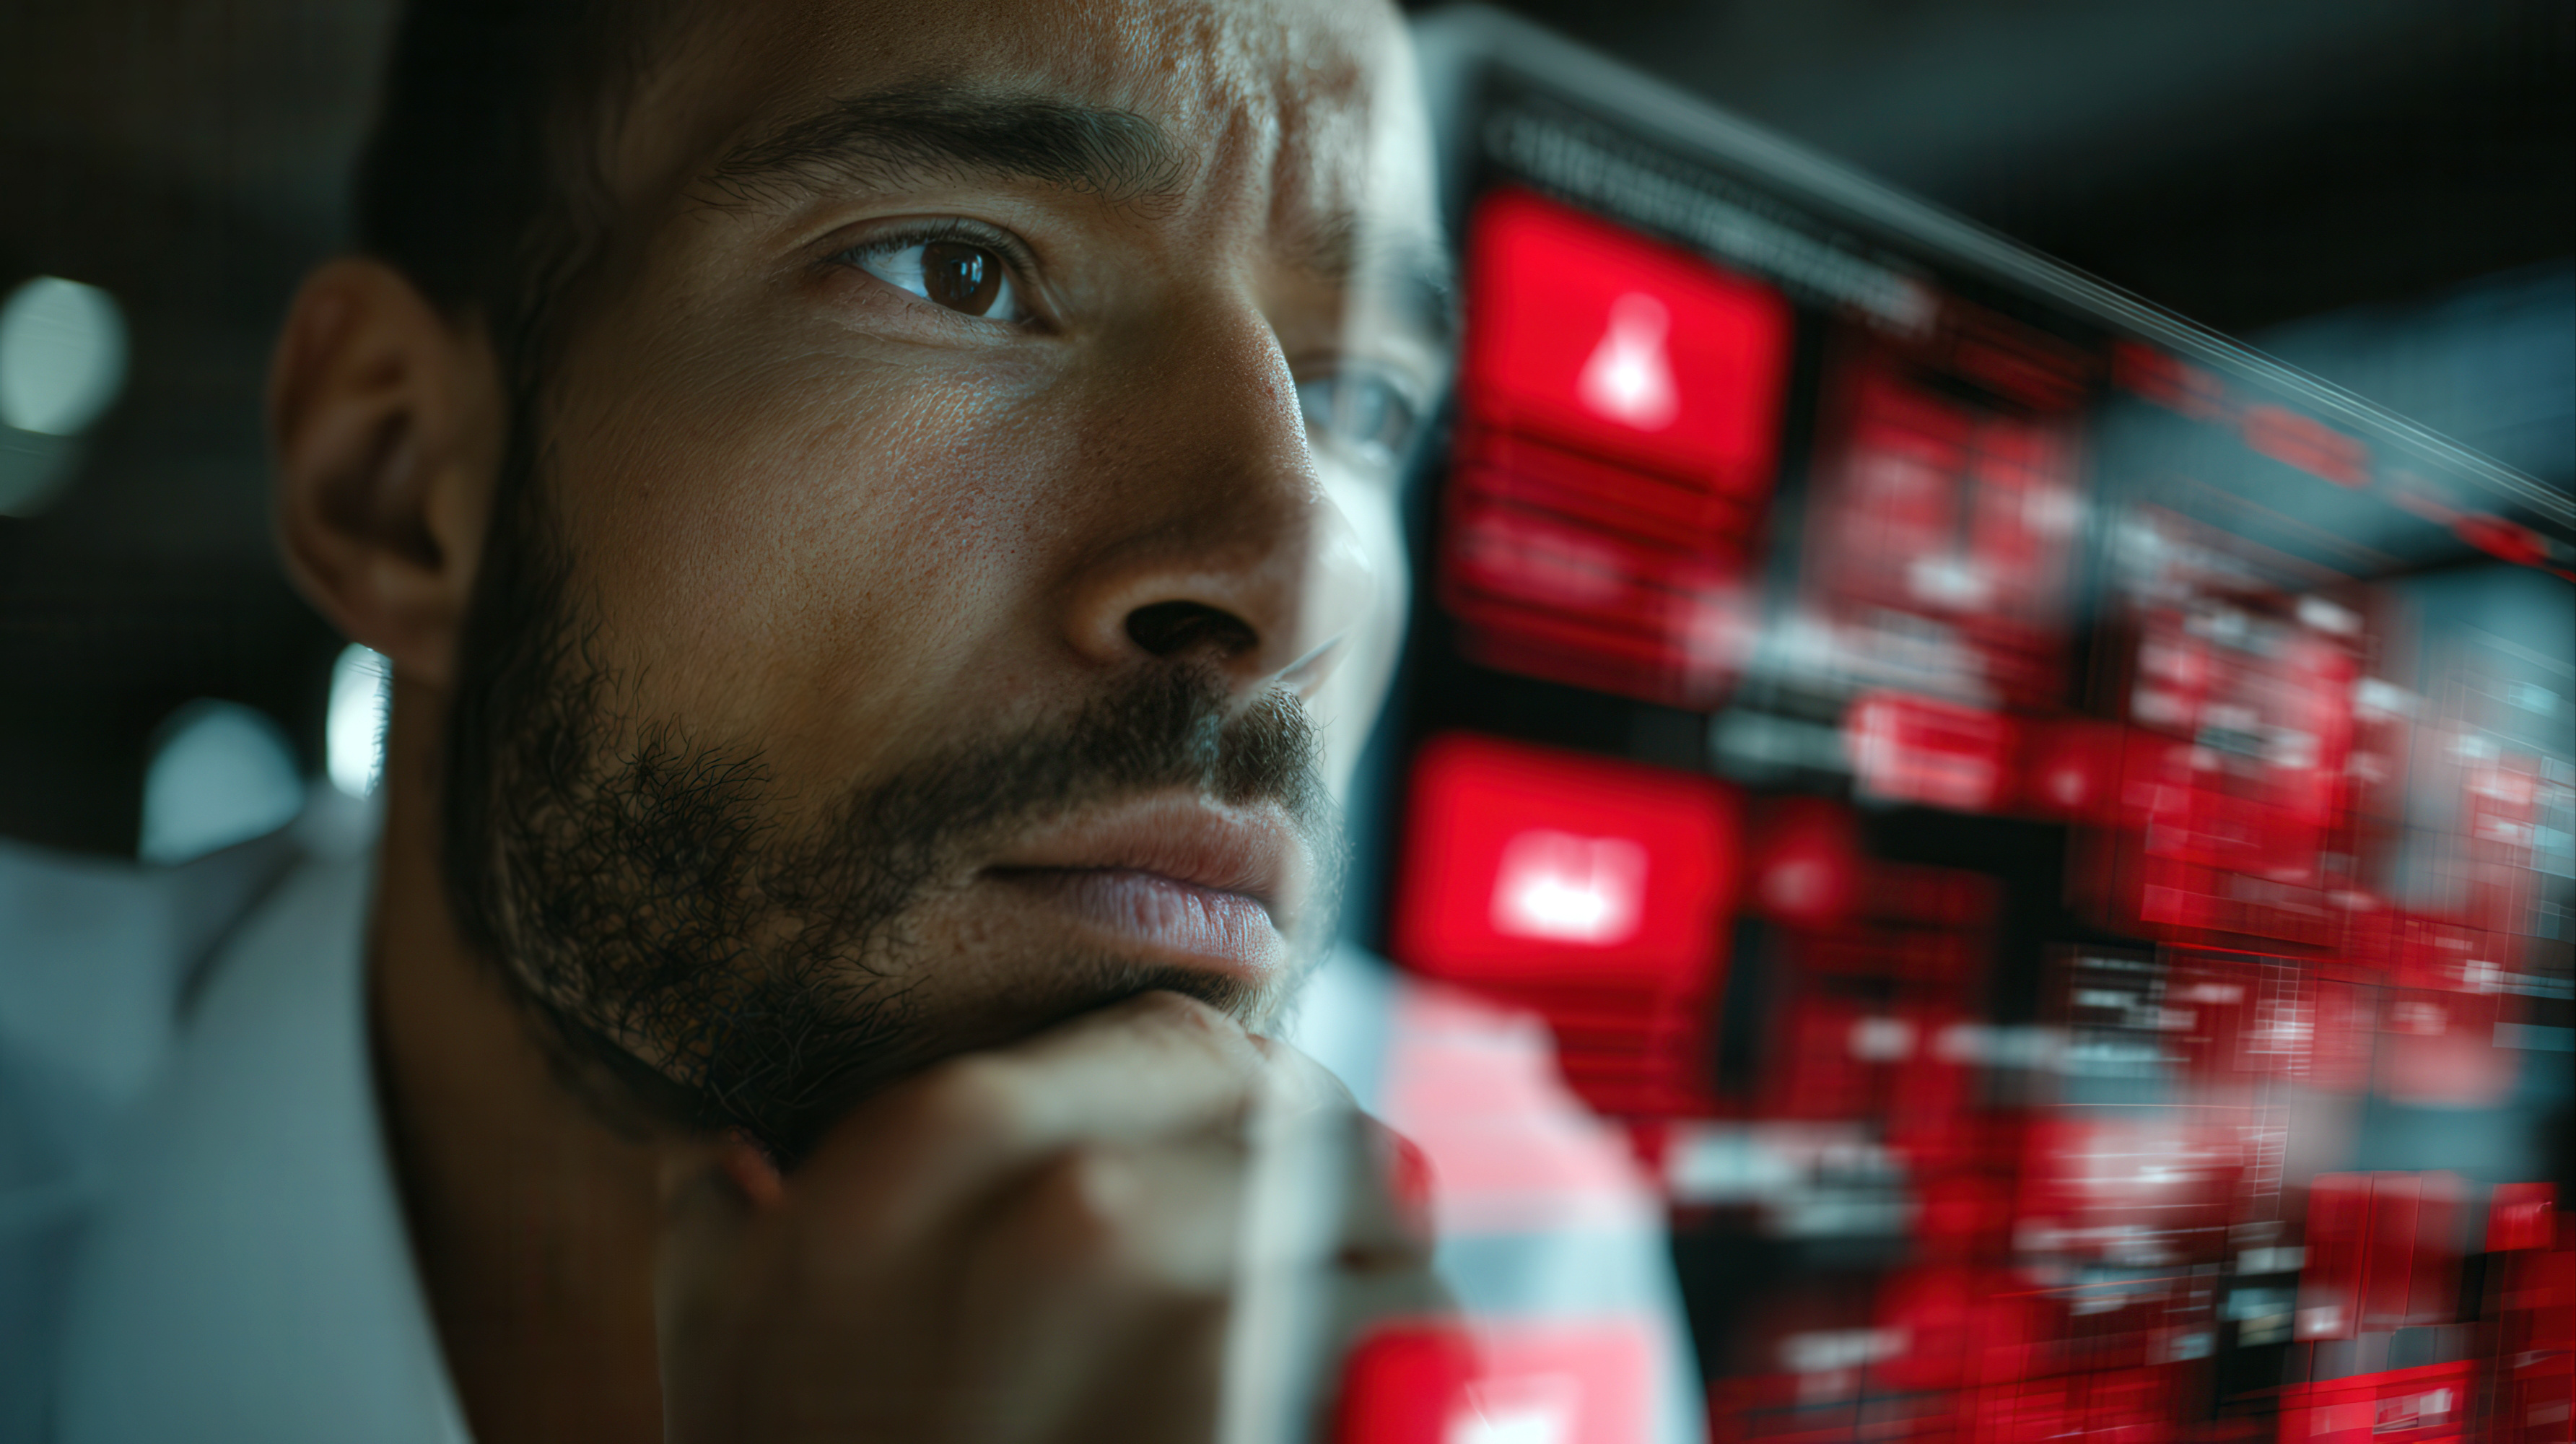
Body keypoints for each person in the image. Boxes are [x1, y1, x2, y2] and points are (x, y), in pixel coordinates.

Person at [4, 0, 1700, 1438]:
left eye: (1357, 399)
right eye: (961, 270)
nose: (1285, 576)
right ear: (402, 485)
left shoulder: (1513, 1233)